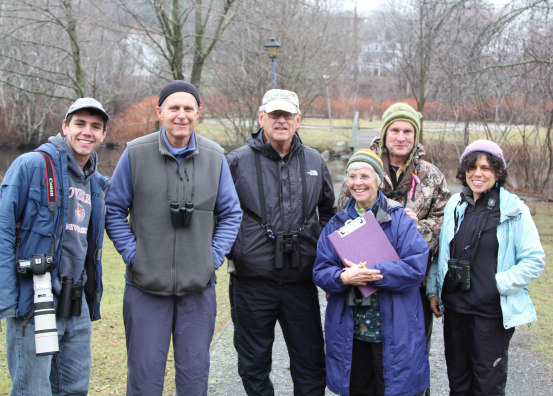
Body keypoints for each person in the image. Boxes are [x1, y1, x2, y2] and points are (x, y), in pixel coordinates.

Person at [105, 80, 242, 396]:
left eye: (188, 108)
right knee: (144, 376)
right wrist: (133, 255)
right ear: (159, 112)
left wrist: (212, 257)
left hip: (198, 290)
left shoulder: (214, 156)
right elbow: (114, 210)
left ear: (198, 113)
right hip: (144, 288)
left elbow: (231, 214)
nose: (181, 115)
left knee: (194, 377)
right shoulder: (135, 154)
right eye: (174, 108)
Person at [226, 89, 335, 395]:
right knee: (253, 363)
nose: (281, 121)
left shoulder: (315, 160)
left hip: (300, 281)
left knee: (310, 360)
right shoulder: (237, 161)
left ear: (298, 119)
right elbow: (220, 213)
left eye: (287, 115)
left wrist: (321, 251)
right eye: (275, 115)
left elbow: (328, 212)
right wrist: (238, 249)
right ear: (262, 118)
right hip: (252, 282)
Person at [0, 98, 110, 395]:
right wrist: (9, 299)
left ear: (103, 135)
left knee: (74, 389)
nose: (87, 132)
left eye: (95, 127)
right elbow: (3, 228)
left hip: (76, 300)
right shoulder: (32, 165)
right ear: (65, 126)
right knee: (32, 390)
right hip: (35, 298)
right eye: (80, 124)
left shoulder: (97, 184)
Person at [338, 103, 449, 379]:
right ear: (385, 133)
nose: (401, 137)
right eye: (395, 130)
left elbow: (444, 224)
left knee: (410, 357)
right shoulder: (363, 168)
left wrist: (414, 228)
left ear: (416, 135)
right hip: (365, 280)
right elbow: (341, 217)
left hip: (413, 284)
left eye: (408, 131)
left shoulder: (432, 175)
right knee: (366, 359)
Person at [426, 139, 545, 395]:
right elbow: (441, 254)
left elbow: (534, 260)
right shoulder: (455, 206)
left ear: (498, 173)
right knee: (458, 384)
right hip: (456, 311)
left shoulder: (514, 210)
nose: (477, 173)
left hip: (491, 315)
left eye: (486, 168)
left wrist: (497, 284)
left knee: (487, 386)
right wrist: (434, 291)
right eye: (472, 167)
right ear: (464, 170)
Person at [314, 149, 430, 396]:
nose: (358, 183)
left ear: (378, 179)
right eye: (353, 176)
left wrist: (373, 272)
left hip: (392, 329)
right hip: (352, 332)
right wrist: (342, 277)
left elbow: (415, 268)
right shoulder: (337, 223)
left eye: (365, 176)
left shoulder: (399, 219)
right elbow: (321, 270)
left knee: (392, 388)